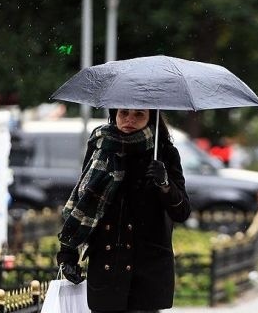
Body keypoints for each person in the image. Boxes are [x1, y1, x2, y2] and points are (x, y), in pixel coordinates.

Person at [56, 108, 191, 313]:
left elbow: (181, 212)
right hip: (107, 265)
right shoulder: (100, 147)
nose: (129, 120)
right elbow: (83, 203)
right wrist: (68, 255)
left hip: (146, 269)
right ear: (114, 114)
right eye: (123, 113)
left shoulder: (163, 152)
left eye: (139, 114)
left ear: (151, 119)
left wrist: (165, 184)